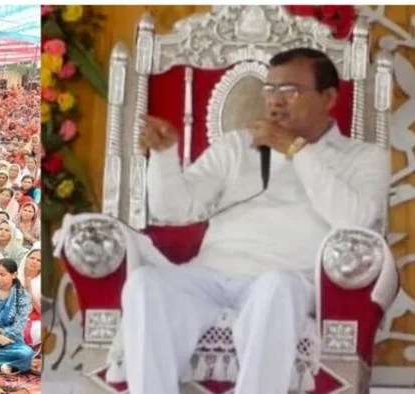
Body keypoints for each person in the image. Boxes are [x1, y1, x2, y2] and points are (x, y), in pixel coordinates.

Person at [116, 48, 390, 393]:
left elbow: (356, 221)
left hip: (288, 278)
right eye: (270, 90)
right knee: (145, 284)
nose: (276, 101)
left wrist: (296, 151)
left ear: (329, 97)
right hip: (212, 273)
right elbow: (173, 210)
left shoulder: (364, 158)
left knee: (276, 286)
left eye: (290, 91)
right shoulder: (237, 146)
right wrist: (164, 155)